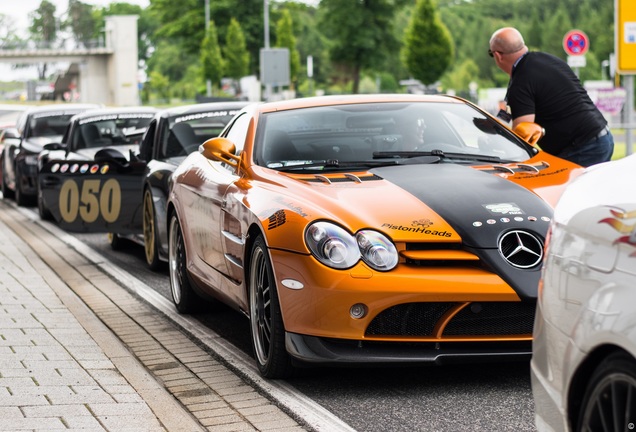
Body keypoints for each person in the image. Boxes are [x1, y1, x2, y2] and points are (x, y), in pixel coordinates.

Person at [488, 27, 614, 167]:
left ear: (498, 55)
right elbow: (509, 114)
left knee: (562, 188)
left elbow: (523, 134)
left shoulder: (521, 80)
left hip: (582, 147)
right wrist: (491, 123)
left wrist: (495, 146)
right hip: (602, 135)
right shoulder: (548, 60)